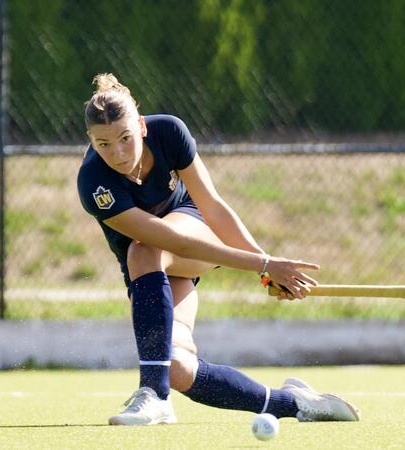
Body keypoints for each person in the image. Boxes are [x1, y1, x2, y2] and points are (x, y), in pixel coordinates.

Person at [77, 73, 359, 426]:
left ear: (142, 127)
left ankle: (153, 396)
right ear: (90, 140)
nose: (117, 153)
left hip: (191, 228)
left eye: (125, 138)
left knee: (143, 250)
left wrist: (264, 264)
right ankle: (295, 404)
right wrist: (264, 265)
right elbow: (171, 242)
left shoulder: (169, 132)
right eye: (103, 144)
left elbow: (212, 206)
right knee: (176, 367)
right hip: (155, 267)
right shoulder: (94, 183)